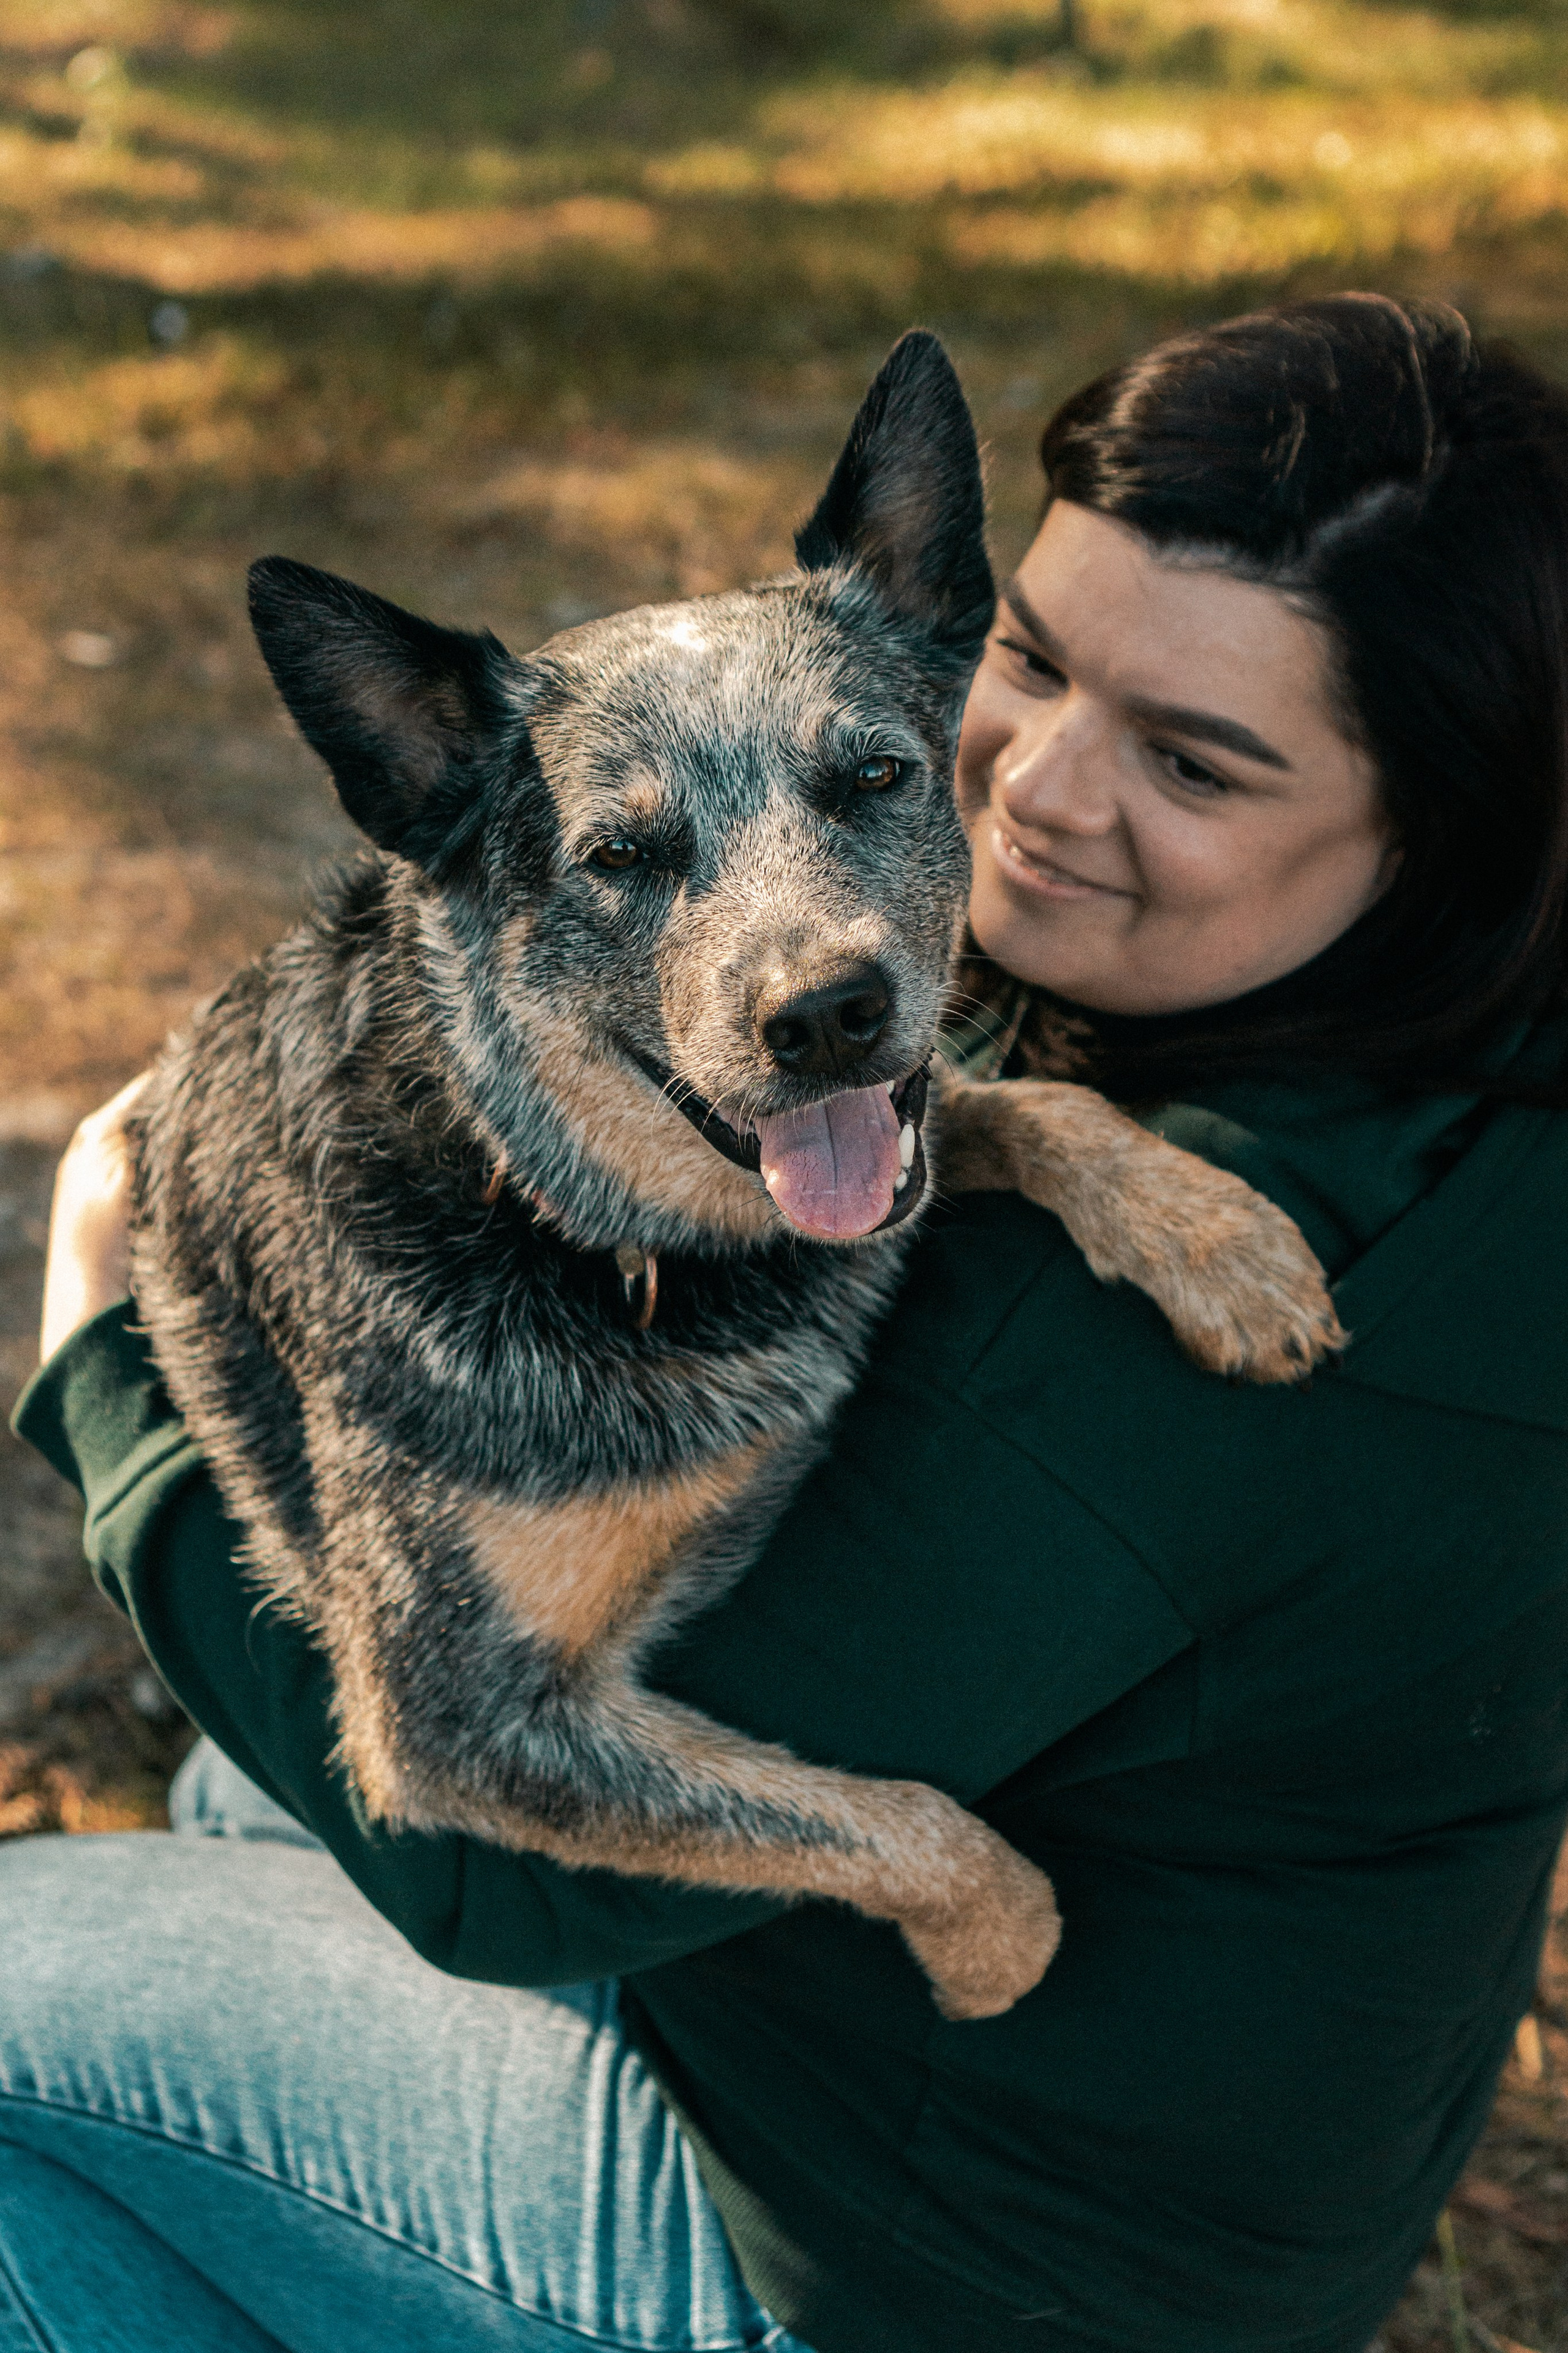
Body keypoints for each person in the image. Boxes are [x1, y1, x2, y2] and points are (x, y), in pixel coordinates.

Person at [9, 290, 1568, 2353]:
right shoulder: (1461, 1093)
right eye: (1026, 656)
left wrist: (104, 1356)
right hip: (1202, 2157)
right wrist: (1032, 1127)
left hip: (898, 2262)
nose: (1029, 788)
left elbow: (485, 1854)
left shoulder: (1160, 1344)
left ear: (1435, 818)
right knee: (223, 1823)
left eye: (1192, 760)